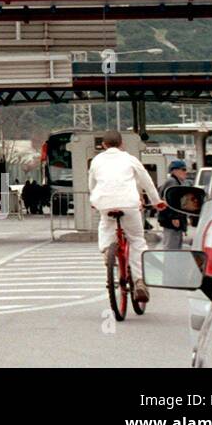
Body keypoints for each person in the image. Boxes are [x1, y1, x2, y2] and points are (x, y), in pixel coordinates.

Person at [88, 131, 166, 305]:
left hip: (105, 203)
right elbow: (146, 181)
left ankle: (107, 251)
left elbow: (91, 184)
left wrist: (94, 200)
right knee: (137, 240)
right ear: (122, 144)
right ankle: (139, 281)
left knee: (105, 225)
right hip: (129, 204)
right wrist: (156, 201)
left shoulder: (96, 161)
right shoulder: (130, 159)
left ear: (103, 145)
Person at [157, 159, 190, 250]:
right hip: (171, 221)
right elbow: (170, 202)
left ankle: (172, 263)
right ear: (175, 171)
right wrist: (174, 217)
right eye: (183, 169)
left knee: (175, 246)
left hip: (173, 220)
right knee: (171, 247)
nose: (185, 172)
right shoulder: (172, 182)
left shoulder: (176, 182)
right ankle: (169, 264)